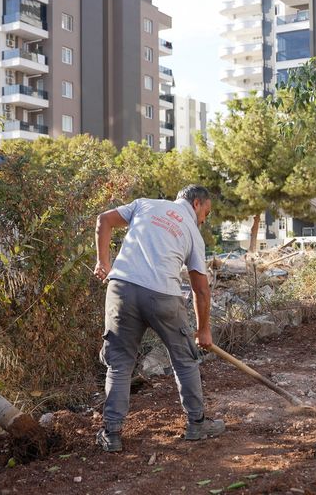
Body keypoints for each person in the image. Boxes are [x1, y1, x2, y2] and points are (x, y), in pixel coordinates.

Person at [92, 185, 225, 452]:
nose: (203, 220)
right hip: (163, 296)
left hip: (122, 289)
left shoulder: (145, 204)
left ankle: (112, 434)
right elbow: (201, 289)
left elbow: (104, 220)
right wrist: (203, 331)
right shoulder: (192, 232)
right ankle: (197, 424)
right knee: (184, 360)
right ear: (196, 203)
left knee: (119, 364)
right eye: (205, 214)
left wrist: (103, 262)